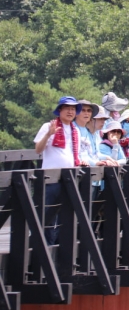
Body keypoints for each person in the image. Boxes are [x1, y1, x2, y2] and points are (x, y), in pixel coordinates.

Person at [34, 97, 86, 244]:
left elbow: (75, 153)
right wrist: (48, 134)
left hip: (69, 177)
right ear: (60, 110)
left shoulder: (75, 130)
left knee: (66, 215)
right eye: (67, 108)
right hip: (50, 178)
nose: (70, 111)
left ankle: (60, 248)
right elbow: (38, 149)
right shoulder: (49, 126)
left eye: (73, 109)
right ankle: (45, 247)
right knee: (47, 214)